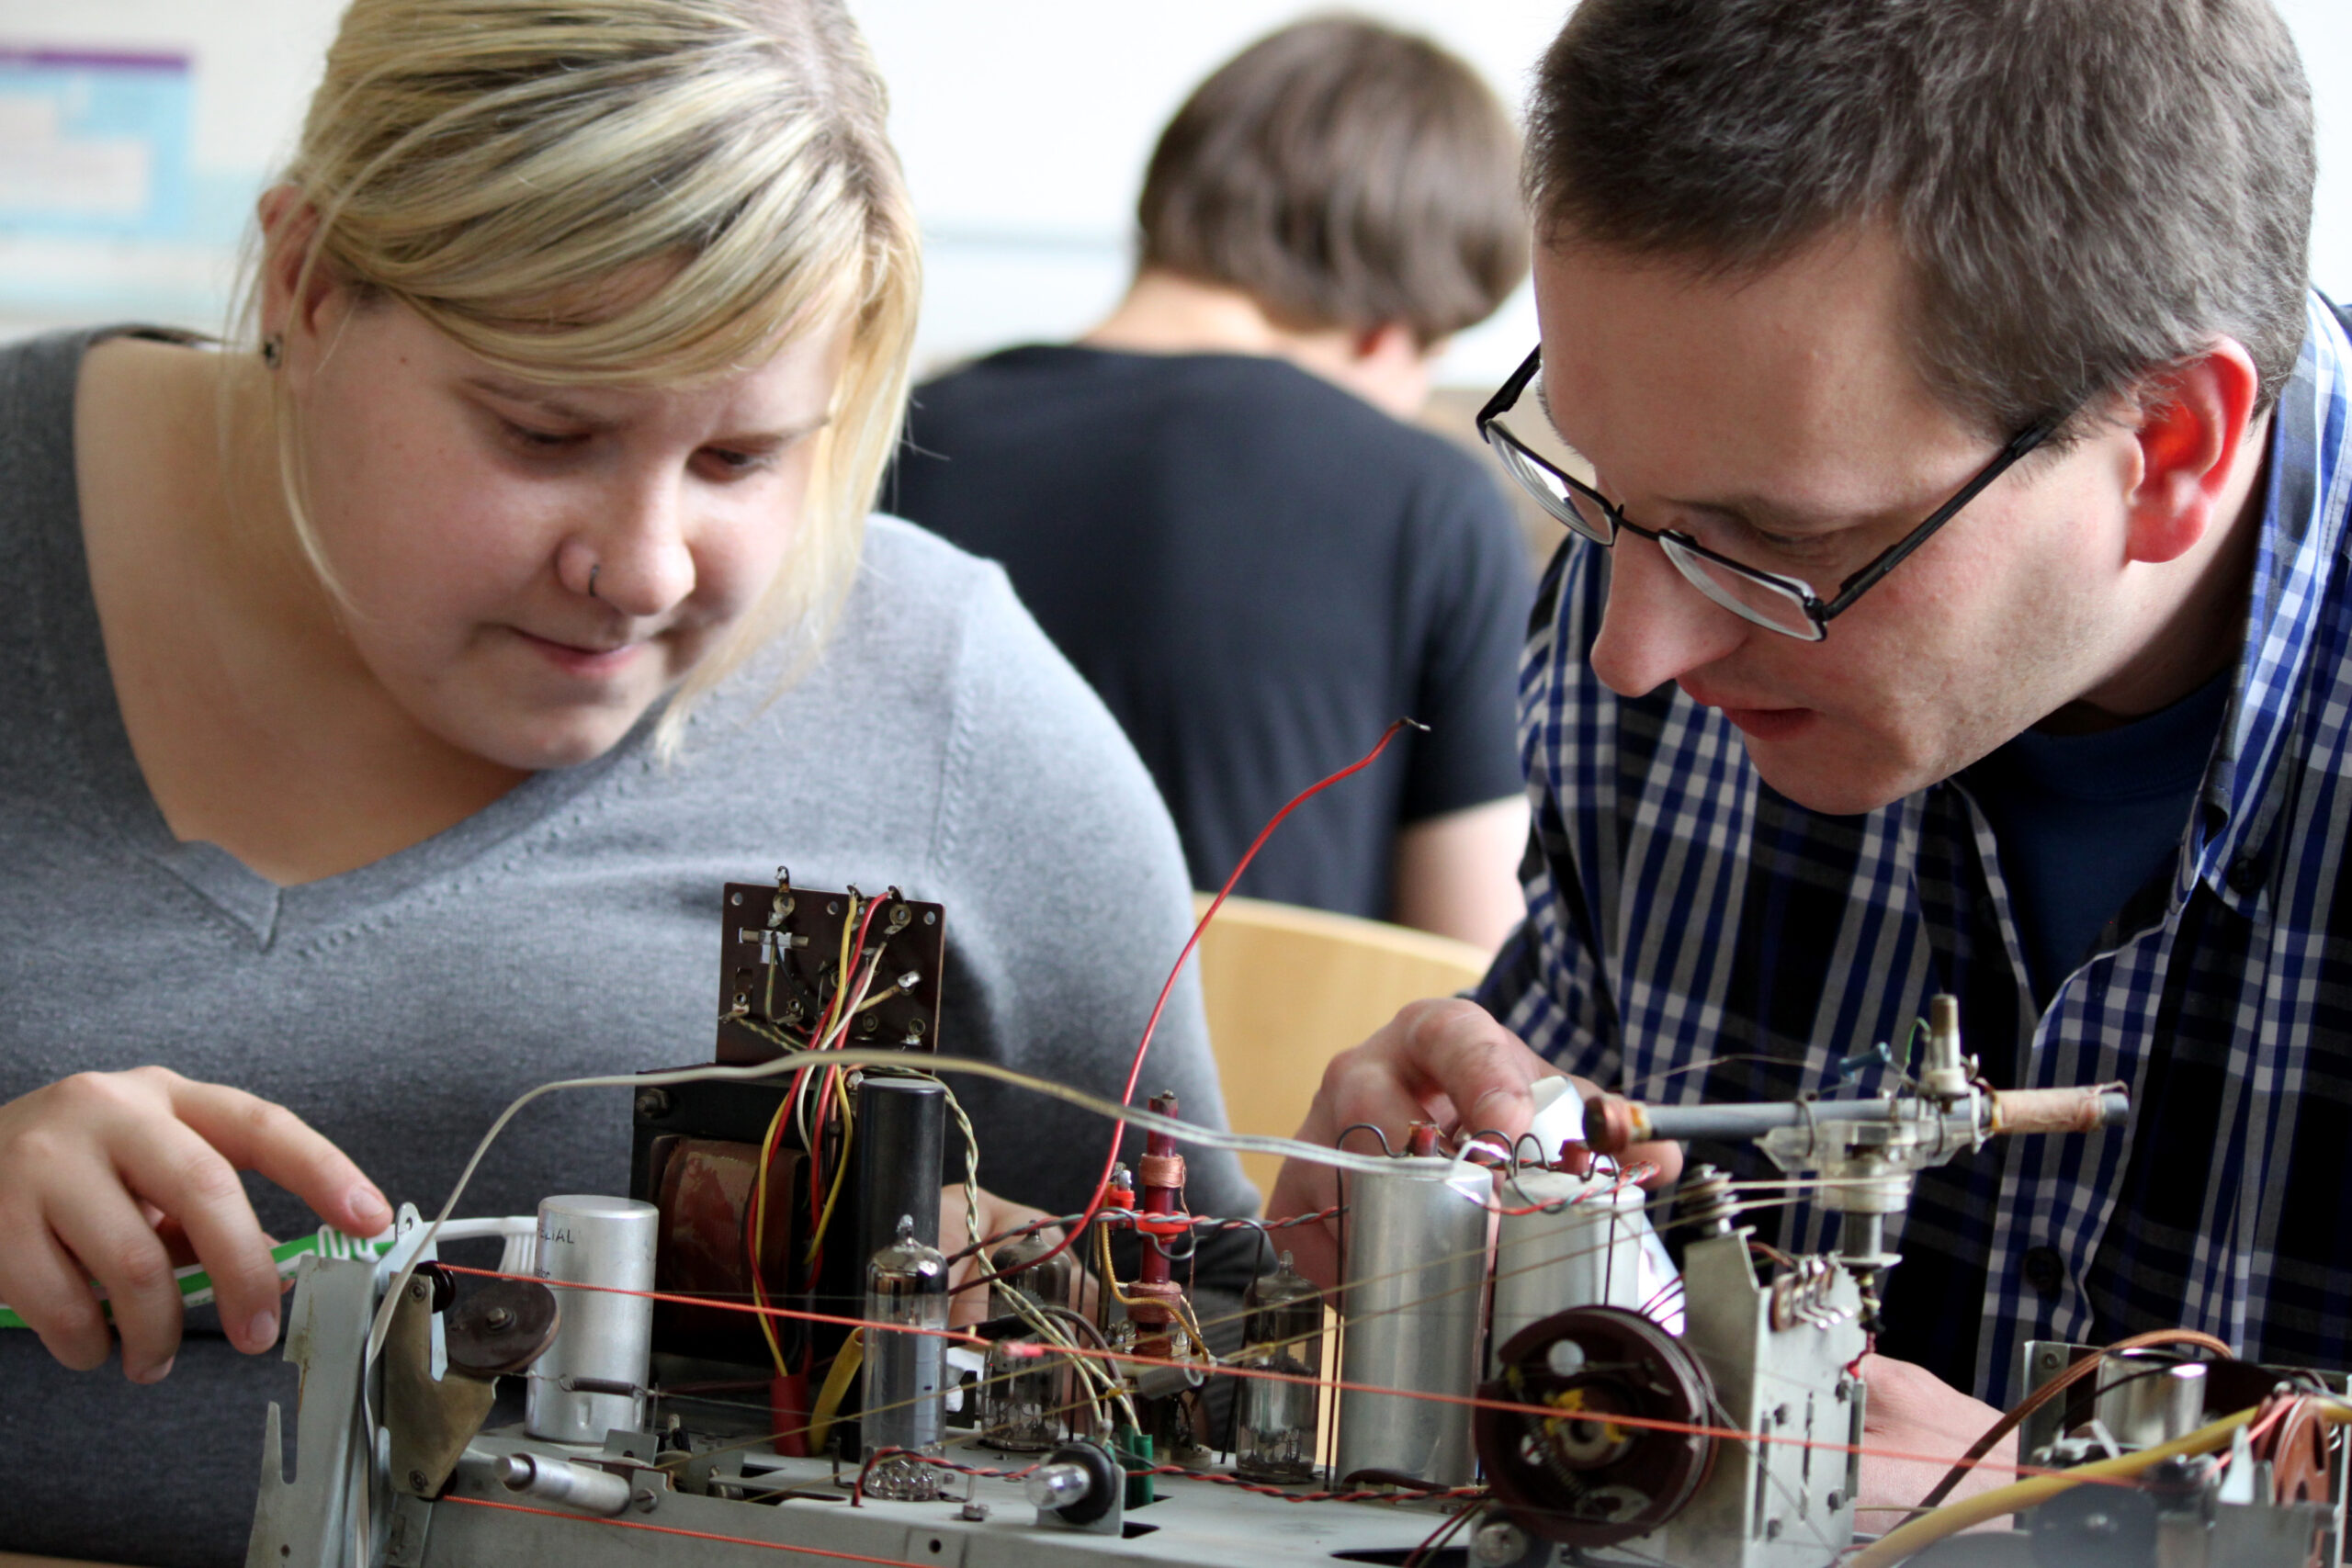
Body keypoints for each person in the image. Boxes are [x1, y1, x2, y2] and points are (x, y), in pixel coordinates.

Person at [0, 4, 1252, 1563]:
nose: (644, 565)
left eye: (741, 461)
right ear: (311, 284)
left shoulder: (950, 699)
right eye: (545, 430)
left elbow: (1206, 1343)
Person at [1271, 0, 2340, 1514]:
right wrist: (1453, 1193)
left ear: (2167, 447)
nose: (1630, 652)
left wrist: (2059, 1510)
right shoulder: (1648, 614)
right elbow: (1586, 1273)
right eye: (1599, 490)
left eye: (1778, 542)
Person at [888, 17, 1534, 950]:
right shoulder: (1432, 503)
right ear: (1388, 330)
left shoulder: (896, 439)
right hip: (1268, 1093)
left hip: (908, 1083)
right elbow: (1469, 969)